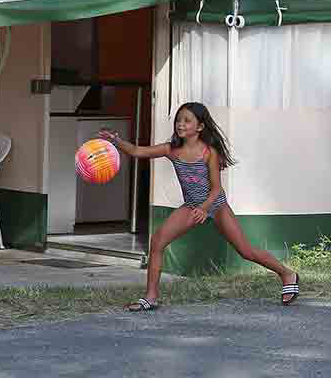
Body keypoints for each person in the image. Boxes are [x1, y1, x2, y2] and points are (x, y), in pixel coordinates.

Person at [100, 102, 300, 311]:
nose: (180, 124)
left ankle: (287, 274)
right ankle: (151, 297)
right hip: (192, 206)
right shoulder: (172, 149)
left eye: (187, 121)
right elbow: (138, 151)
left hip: (215, 205)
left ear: (200, 127)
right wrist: (117, 141)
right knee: (158, 240)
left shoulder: (208, 153)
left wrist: (205, 209)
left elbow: (216, 189)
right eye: (178, 120)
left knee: (245, 251)